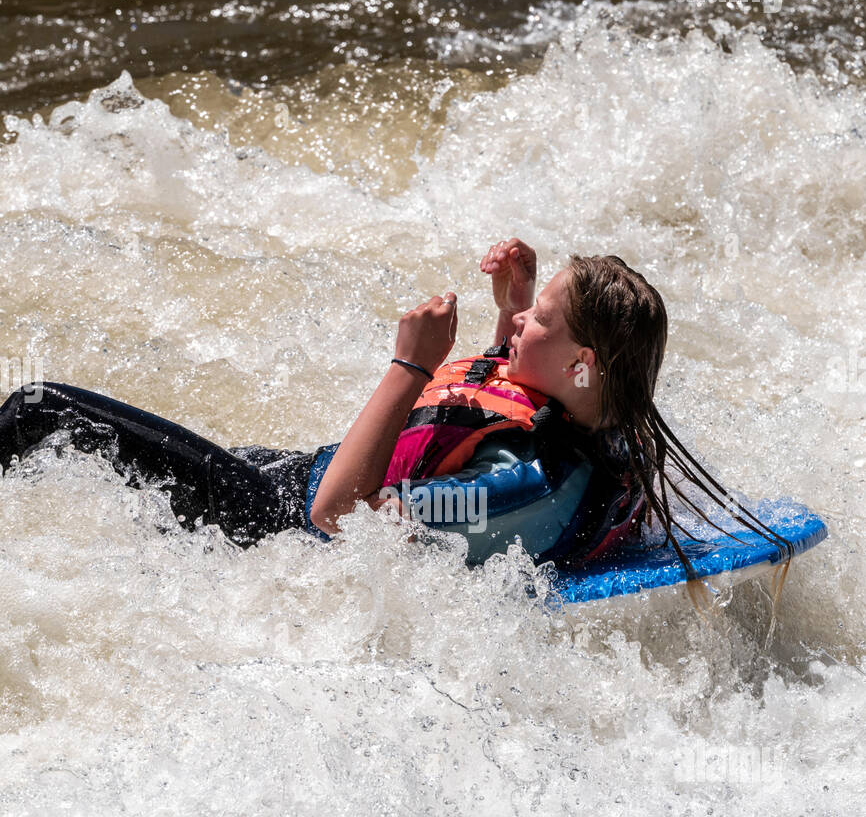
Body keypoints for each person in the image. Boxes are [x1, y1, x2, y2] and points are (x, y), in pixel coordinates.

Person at [0, 239, 790, 579]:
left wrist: (409, 366)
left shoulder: (520, 489)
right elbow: (502, 421)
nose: (517, 327)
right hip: (292, 474)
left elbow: (337, 518)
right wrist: (515, 303)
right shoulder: (598, 415)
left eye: (538, 318)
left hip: (272, 525)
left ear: (582, 361)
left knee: (41, 411)